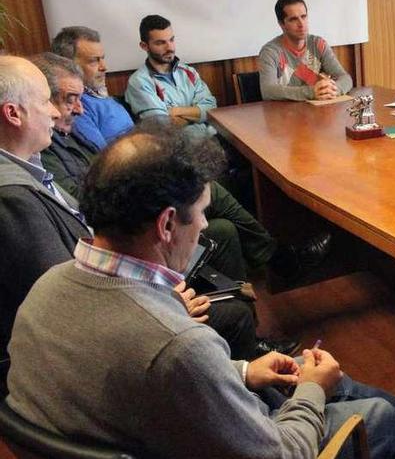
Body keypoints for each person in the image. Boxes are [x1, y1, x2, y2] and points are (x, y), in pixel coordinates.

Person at [6, 124, 395, 459]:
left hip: (138, 429)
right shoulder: (175, 346)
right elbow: (279, 452)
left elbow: (152, 381)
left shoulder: (47, 288)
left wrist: (242, 371)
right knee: (366, 414)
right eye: (200, 215)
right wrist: (312, 391)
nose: (204, 227)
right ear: (165, 225)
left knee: (311, 378)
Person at [23, 52, 293, 362]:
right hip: (129, 219)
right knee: (212, 199)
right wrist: (170, 307)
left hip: (126, 218)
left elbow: (210, 107)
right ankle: (276, 262)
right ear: (15, 112)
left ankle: (251, 333)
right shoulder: (30, 174)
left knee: (223, 231)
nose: (75, 110)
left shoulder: (63, 138)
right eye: (59, 100)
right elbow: (101, 187)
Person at [52, 27, 332, 283]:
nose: (104, 67)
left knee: (252, 171)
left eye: (171, 40)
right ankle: (278, 256)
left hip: (191, 147)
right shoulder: (98, 100)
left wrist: (184, 113)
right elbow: (157, 127)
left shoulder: (182, 74)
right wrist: (193, 114)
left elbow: (209, 106)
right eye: (93, 61)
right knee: (215, 186)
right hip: (150, 172)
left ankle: (272, 256)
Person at [0, 56, 79, 385]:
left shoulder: (28, 165)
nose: (57, 111)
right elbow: (69, 305)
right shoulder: (12, 197)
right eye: (46, 100)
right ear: (13, 113)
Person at [125, 15, 216, 140]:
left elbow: (211, 109)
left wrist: (175, 111)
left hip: (212, 139)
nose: (170, 48)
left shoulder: (188, 72)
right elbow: (163, 126)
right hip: (179, 152)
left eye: (171, 40)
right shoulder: (139, 82)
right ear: (144, 46)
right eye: (160, 43)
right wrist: (196, 114)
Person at [258, 0, 354, 101]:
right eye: (293, 19)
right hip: (284, 114)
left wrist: (334, 89)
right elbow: (268, 91)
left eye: (304, 17)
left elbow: (345, 78)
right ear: (281, 24)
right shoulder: (271, 52)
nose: (301, 24)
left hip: (315, 113)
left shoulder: (318, 44)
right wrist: (312, 92)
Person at [50, 26, 130, 149]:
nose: (104, 67)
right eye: (94, 61)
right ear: (67, 64)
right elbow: (101, 158)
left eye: (102, 58)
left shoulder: (99, 92)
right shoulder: (76, 106)